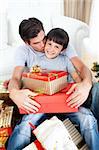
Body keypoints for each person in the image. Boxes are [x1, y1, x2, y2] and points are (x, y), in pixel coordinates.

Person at [7, 18, 99, 150]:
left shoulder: (57, 42)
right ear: (26, 43)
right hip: (40, 103)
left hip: (65, 100)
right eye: (37, 43)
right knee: (24, 125)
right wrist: (14, 93)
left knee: (88, 119)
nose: (44, 45)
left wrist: (85, 86)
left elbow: (82, 68)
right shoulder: (23, 52)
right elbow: (15, 77)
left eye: (44, 38)